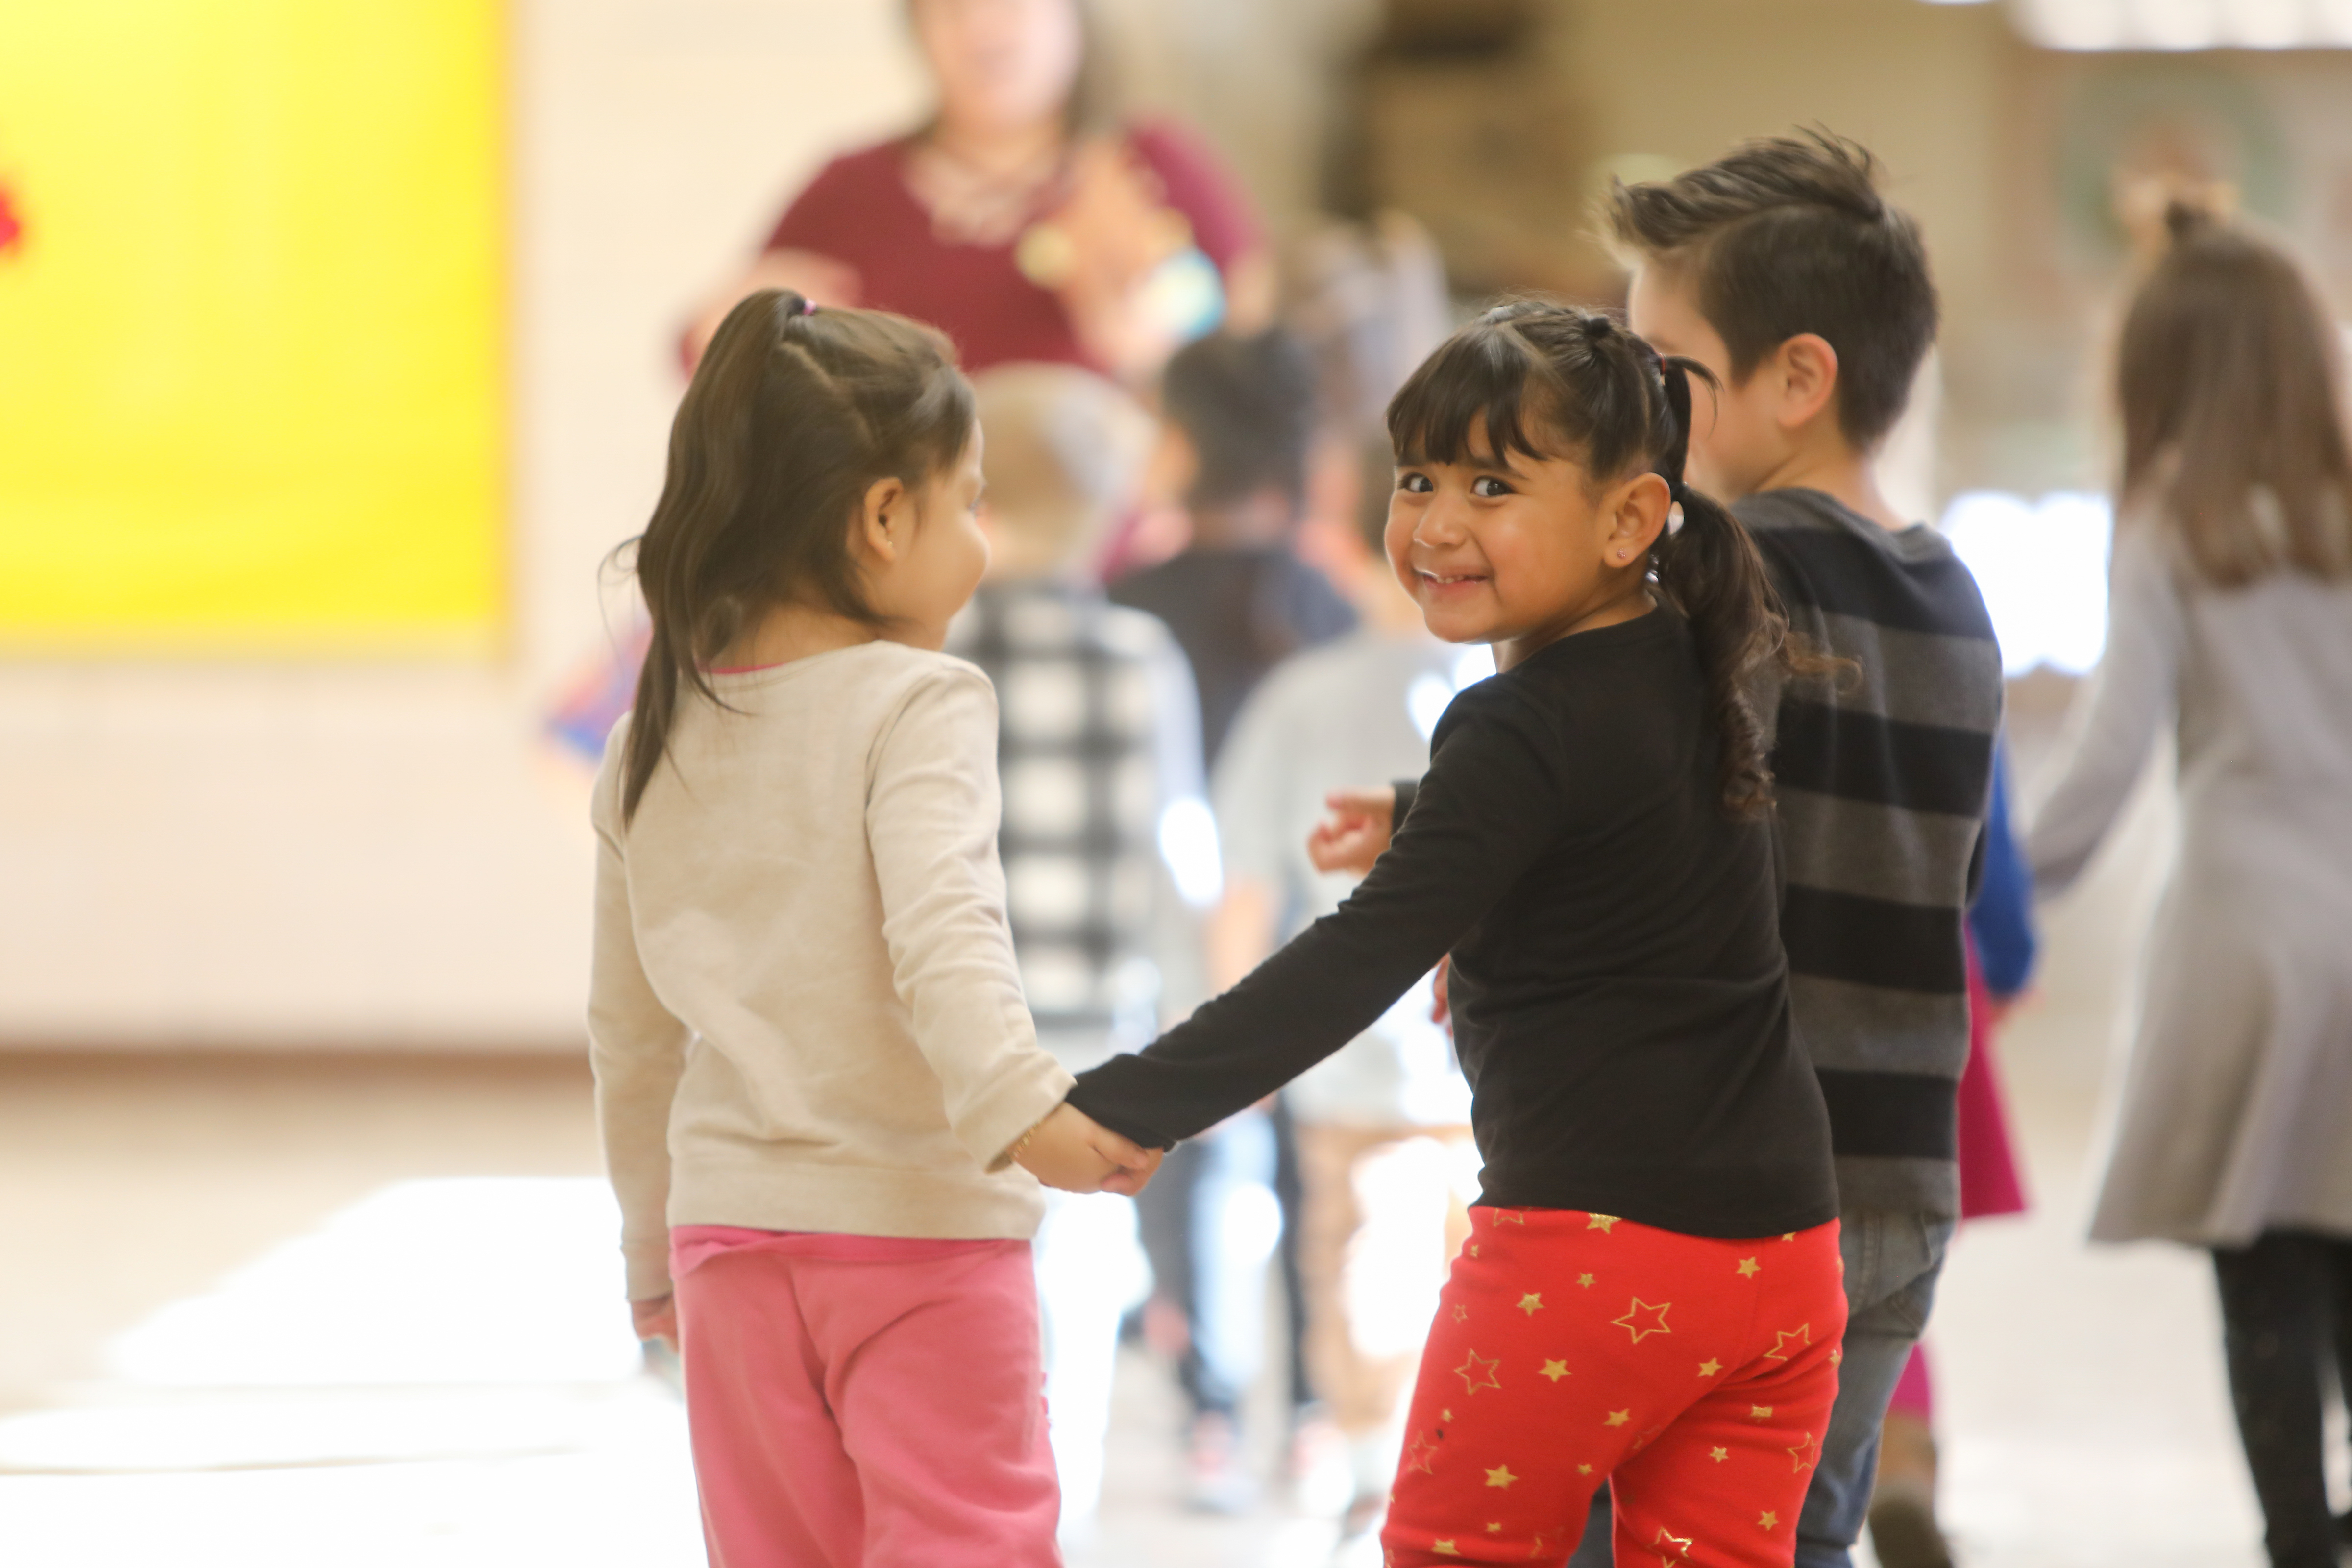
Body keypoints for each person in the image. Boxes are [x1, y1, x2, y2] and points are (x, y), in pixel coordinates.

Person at [1069, 301, 1849, 1568]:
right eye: (1416, 477)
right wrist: (1430, 817)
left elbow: (1357, 958)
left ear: (1631, 519)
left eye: (1492, 484)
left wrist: (1133, 1103)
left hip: (1587, 1264)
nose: (1434, 523)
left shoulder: (1517, 724)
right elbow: (1620, 805)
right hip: (1779, 1261)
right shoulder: (1697, 659)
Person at [586, 291, 1160, 1567]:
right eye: (968, 503)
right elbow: (944, 934)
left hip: (726, 1240)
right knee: (969, 1544)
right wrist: (1030, 1113)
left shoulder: (652, 732)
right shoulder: (919, 701)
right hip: (919, 1230)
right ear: (883, 519)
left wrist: (648, 1241)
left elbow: (629, 1034)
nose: (982, 544)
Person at [2024, 207, 2352, 1568]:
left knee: (2262, 1273)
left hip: (2240, 931)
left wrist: (1974, 890)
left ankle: (2298, 1546)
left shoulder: (2172, 515)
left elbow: (2105, 768)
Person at [940, 363, 1205, 1539]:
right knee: (1077, 1303)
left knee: (953, 1294)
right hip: (1094, 1045)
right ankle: (1064, 1522)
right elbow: (1175, 864)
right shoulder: (1141, 660)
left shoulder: (932, 661)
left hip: (953, 1044)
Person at [1207, 435, 1481, 1540]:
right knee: (1481, 1282)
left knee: (1356, 1268)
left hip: (1345, 1061)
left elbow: (1243, 891)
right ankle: (1452, 1471)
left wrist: (1241, 1048)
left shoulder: (1300, 695)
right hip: (1496, 1064)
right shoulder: (1503, 686)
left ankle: (1380, 1472)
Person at [1109, 323, 1358, 1507]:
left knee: (1185, 1175)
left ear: (1178, 446)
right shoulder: (1334, 609)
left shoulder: (1125, 609)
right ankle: (1314, 1415)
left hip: (1170, 957)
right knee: (1318, 1188)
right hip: (1332, 951)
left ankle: (1209, 1415)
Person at [686, 0, 1269, 381]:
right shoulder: (852, 188)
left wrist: (1157, 327)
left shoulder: (1152, 167)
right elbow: (702, 350)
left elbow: (1257, 353)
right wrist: (740, 334)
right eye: (951, 8)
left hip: (1119, 558)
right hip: (900, 550)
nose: (981, 27)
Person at [1867, 745, 2037, 1568]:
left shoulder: (1733, 632)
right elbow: (1987, 832)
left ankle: (1814, 1489)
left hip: (1783, 976)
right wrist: (2008, 957)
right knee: (1894, 1273)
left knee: (1800, 1271)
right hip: (1934, 969)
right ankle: (1901, 1462)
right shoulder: (1939, 619)